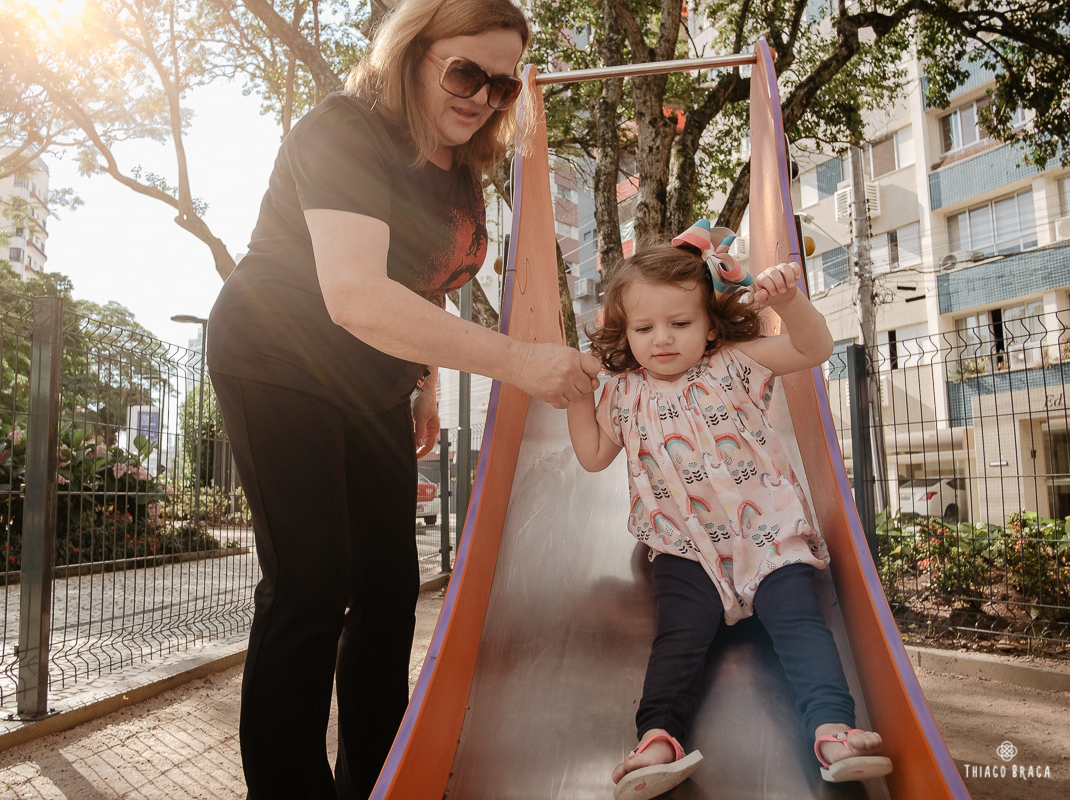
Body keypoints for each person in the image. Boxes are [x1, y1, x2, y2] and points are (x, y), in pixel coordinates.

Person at [205, 1, 600, 798]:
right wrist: (520, 362)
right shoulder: (346, 130)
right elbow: (355, 294)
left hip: (372, 378)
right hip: (279, 355)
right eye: (465, 72)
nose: (483, 97)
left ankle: (380, 782)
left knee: (388, 591)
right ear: (412, 54)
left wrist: (423, 383)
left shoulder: (458, 170)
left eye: (503, 84)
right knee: (312, 586)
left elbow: (423, 282)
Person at [565, 221, 893, 799]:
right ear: (625, 331)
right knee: (677, 640)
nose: (662, 338)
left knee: (800, 626)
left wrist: (790, 303)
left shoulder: (734, 364)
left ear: (710, 323)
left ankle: (832, 729)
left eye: (680, 323)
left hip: (769, 539)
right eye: (644, 327)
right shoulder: (624, 392)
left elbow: (812, 349)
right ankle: (658, 739)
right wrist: (573, 396)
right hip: (684, 550)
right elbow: (592, 456)